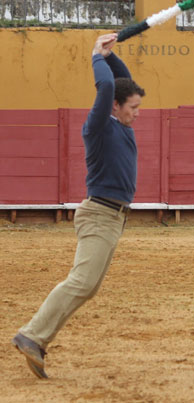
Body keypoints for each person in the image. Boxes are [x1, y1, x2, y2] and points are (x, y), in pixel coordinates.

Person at [12, 33, 145, 379]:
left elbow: (120, 81)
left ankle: (37, 340)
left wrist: (112, 57)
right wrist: (95, 57)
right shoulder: (98, 126)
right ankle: (31, 334)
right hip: (100, 214)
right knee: (82, 281)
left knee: (88, 286)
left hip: (113, 217)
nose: (137, 113)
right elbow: (105, 88)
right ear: (115, 106)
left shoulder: (121, 123)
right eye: (132, 107)